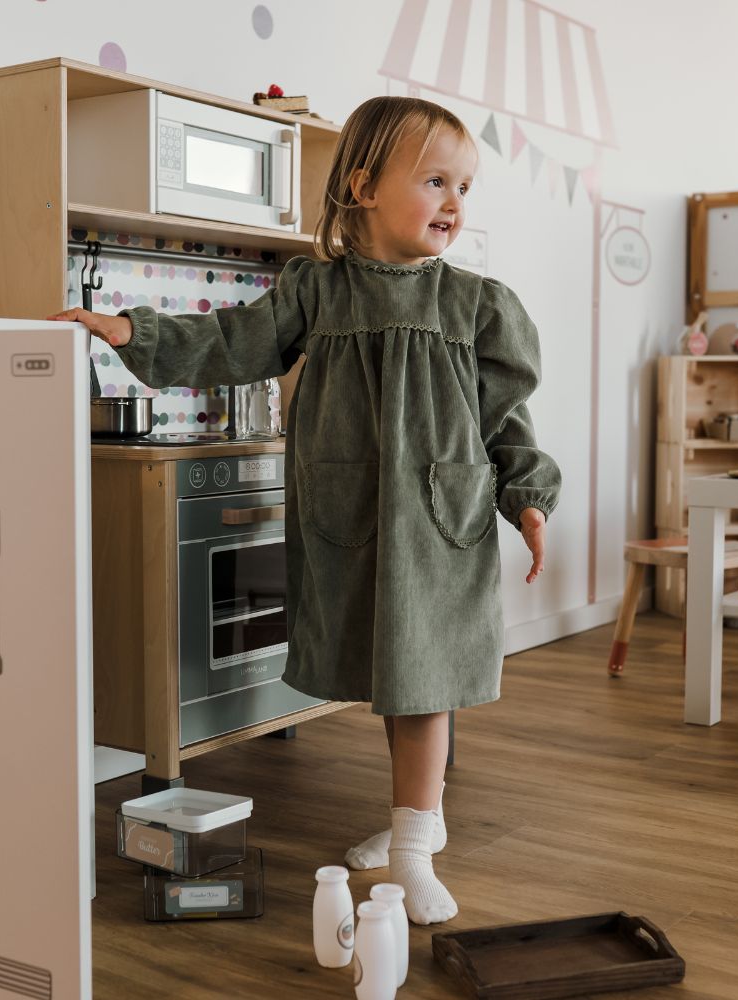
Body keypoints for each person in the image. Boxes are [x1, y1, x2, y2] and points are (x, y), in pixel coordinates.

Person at [49, 96, 561, 924]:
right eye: (435, 181)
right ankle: (415, 818)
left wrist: (527, 498)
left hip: (440, 522)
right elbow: (229, 341)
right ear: (363, 187)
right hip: (351, 514)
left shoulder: (476, 305)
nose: (455, 203)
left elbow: (505, 420)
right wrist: (130, 331)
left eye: (464, 186)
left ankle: (414, 848)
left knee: (423, 681)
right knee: (392, 672)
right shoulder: (314, 290)